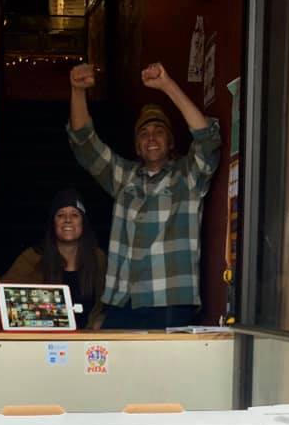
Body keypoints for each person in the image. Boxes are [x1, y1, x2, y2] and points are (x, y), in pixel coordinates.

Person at [67, 61, 221, 330]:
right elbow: (85, 144)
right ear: (137, 147)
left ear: (170, 142)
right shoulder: (124, 177)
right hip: (123, 301)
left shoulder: (187, 177)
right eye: (144, 133)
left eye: (159, 132)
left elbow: (207, 139)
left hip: (169, 301)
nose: (151, 138)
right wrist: (77, 91)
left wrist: (167, 85)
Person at [0, 188, 106, 329]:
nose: (67, 220)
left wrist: (99, 323)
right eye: (60, 215)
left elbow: (106, 302)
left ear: (83, 222)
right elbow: (7, 296)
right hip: (44, 338)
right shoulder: (34, 257)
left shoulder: (98, 258)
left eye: (75, 215)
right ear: (53, 223)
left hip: (88, 339)